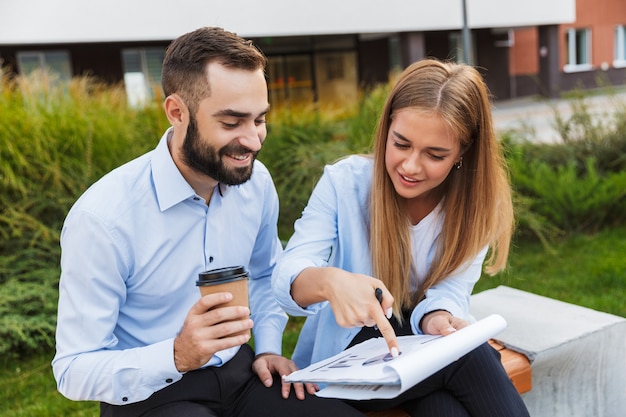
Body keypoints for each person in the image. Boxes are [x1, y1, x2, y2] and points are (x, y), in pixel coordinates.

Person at [52, 27, 366, 417]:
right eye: (232, 123)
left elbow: (266, 273)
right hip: (151, 397)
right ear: (177, 112)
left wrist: (268, 347)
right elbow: (72, 369)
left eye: (260, 119)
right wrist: (178, 354)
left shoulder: (256, 183)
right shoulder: (102, 218)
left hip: (241, 375)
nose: (253, 140)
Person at [272, 58, 531, 416]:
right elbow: (288, 274)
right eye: (401, 144)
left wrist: (437, 317)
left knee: (445, 409)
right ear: (387, 127)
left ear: (462, 153)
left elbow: (452, 290)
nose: (410, 166)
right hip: (348, 365)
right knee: (470, 355)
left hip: (421, 354)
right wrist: (331, 282)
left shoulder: (478, 204)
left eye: (435, 155)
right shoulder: (345, 182)